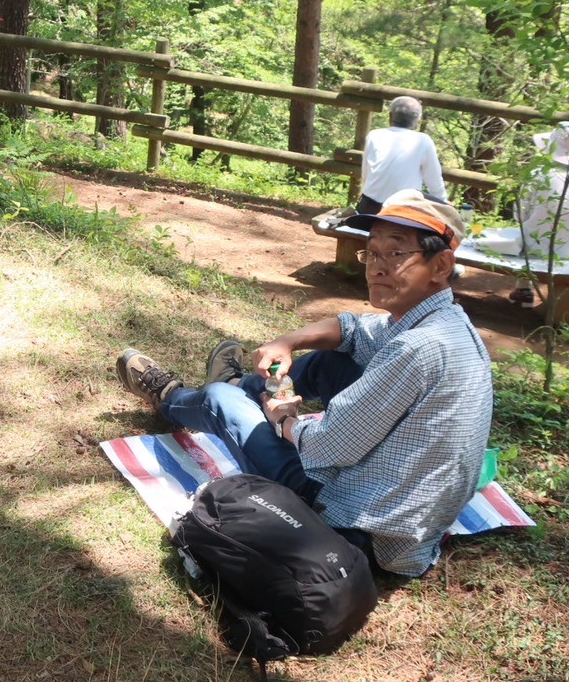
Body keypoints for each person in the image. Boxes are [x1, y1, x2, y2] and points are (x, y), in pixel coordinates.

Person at [116, 189, 491, 577]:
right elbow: (354, 329)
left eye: (396, 254)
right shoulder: (442, 324)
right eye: (372, 253)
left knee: (219, 399)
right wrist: (288, 342)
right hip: (404, 519)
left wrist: (283, 420)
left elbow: (329, 445)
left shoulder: (417, 348)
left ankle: (173, 398)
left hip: (355, 525)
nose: (377, 267)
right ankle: (244, 387)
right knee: (332, 360)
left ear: (441, 264)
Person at [465, 121, 569, 307]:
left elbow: (521, 215)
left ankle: (524, 289)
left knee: (522, 237)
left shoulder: (537, 175)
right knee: (530, 234)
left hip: (539, 245)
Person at [358, 96, 448, 215]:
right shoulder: (423, 141)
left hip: (369, 206)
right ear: (417, 121)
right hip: (403, 210)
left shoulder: (374, 135)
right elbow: (433, 180)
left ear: (390, 116)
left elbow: (366, 174)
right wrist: (443, 205)